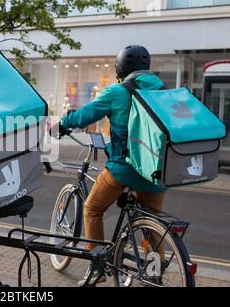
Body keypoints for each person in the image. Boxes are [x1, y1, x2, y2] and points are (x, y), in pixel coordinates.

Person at [51, 45, 167, 285]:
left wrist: (62, 124)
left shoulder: (117, 91)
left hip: (125, 168)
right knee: (153, 223)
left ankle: (96, 267)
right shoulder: (164, 91)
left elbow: (84, 116)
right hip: (158, 172)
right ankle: (154, 274)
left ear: (120, 69)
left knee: (92, 209)